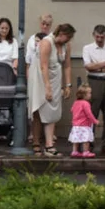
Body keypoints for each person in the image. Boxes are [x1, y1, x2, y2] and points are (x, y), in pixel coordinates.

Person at [29, 23, 76, 157]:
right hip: (40, 78)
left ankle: (49, 145)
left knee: (53, 110)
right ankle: (36, 143)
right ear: (61, 34)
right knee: (39, 108)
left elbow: (67, 65)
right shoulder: (46, 43)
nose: (68, 40)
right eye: (68, 37)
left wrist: (68, 85)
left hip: (56, 77)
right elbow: (43, 66)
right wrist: (47, 87)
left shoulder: (66, 45)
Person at [82, 24, 105, 155]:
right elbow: (88, 66)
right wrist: (104, 64)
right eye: (97, 36)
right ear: (93, 35)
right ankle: (89, 143)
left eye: (102, 37)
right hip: (94, 81)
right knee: (92, 113)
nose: (99, 39)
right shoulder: (88, 48)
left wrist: (98, 67)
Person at [25, 13, 53, 151]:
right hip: (34, 75)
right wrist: (28, 78)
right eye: (43, 23)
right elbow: (28, 61)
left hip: (48, 75)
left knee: (49, 105)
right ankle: (34, 135)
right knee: (34, 106)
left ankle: (49, 137)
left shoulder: (51, 39)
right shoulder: (32, 39)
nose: (45, 26)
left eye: (47, 24)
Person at [68, 84, 98, 158]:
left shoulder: (76, 102)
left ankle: (74, 151)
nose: (90, 95)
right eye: (89, 93)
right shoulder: (86, 104)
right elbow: (89, 114)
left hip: (76, 125)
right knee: (86, 139)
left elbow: (71, 110)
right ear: (84, 95)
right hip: (84, 125)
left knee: (76, 139)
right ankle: (86, 151)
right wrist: (95, 121)